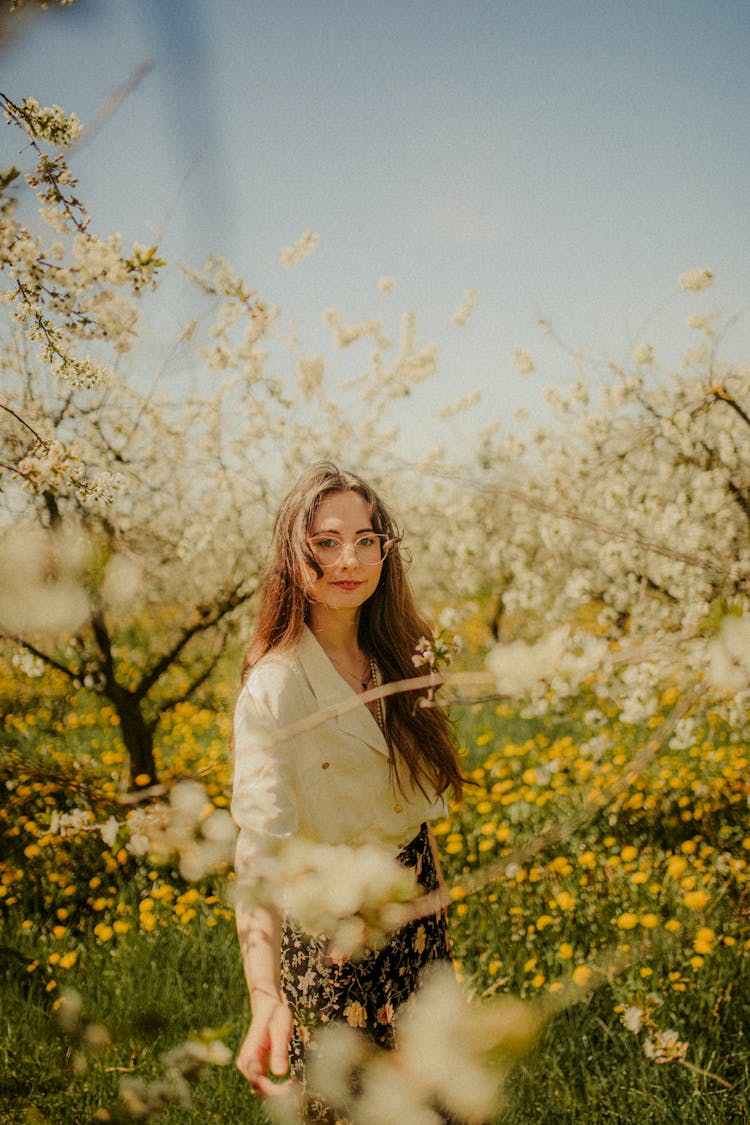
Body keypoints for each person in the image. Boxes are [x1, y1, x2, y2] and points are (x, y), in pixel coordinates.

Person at [231, 462, 464, 1119]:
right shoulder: (275, 687)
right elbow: (258, 860)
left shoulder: (403, 660)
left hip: (417, 926)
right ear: (292, 552)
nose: (349, 559)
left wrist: (441, 942)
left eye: (367, 539)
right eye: (326, 541)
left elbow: (421, 828)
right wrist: (265, 997)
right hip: (334, 944)